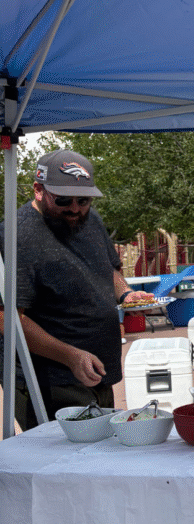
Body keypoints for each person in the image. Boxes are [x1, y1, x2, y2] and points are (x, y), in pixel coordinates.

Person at [0, 150, 154, 430]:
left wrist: (126, 294)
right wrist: (71, 356)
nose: (75, 209)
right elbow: (7, 318)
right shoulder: (17, 236)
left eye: (83, 200)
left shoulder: (89, 219)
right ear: (38, 189)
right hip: (52, 381)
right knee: (66, 468)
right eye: (63, 200)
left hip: (97, 371)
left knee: (99, 461)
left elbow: (108, 268)